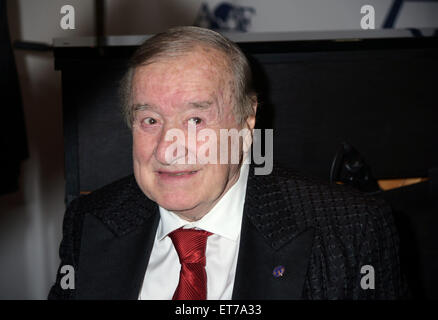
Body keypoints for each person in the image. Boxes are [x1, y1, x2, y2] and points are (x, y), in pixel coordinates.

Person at [48, 26, 407, 300]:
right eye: (151, 121)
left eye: (195, 120)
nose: (168, 149)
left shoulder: (351, 229)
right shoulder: (90, 221)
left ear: (247, 122)